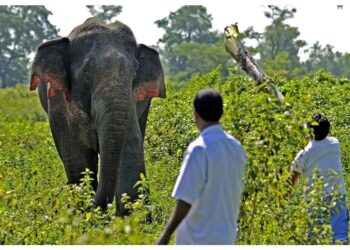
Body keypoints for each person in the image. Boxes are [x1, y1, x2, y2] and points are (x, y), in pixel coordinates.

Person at [156, 89, 247, 245]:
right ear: (221, 113)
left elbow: (185, 200)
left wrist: (166, 235)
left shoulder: (199, 149)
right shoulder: (236, 147)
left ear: (195, 114)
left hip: (197, 240)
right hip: (226, 239)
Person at [290, 113, 349, 244]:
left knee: (314, 239)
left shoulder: (303, 155)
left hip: (314, 199)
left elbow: (292, 179)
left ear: (309, 132)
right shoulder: (335, 143)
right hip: (337, 195)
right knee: (340, 238)